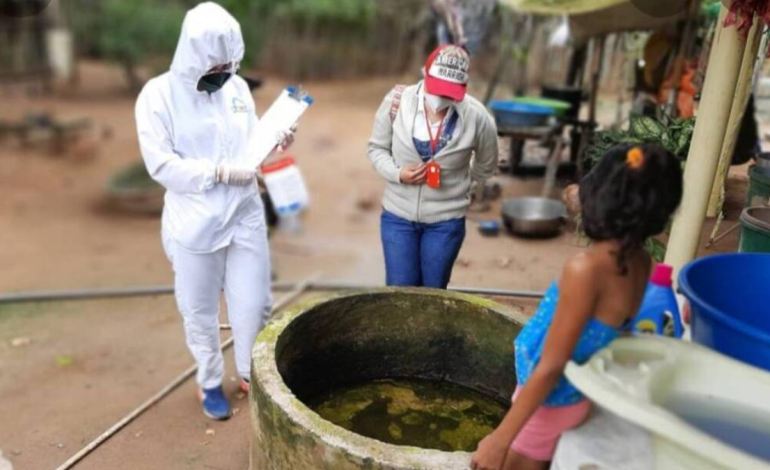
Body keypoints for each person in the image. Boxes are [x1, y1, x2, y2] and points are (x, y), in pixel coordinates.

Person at [471, 144, 683, 470]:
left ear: (602, 201)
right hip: (571, 396)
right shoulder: (643, 263)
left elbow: (552, 365)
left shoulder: (585, 269)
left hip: (548, 402)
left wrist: (499, 440)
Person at [135, 2, 294, 420]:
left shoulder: (237, 89)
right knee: (200, 310)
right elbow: (161, 165)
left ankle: (248, 372)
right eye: (215, 66)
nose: (223, 74)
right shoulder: (158, 96)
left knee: (255, 302)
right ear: (192, 57)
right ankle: (209, 381)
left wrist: (275, 139)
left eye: (230, 64)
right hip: (196, 221)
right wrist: (218, 172)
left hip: (243, 212)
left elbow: (250, 141)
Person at [368, 44, 498, 289]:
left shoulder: (478, 117)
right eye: (436, 89)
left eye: (449, 93)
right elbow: (376, 149)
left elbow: (486, 164)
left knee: (433, 294)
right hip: (398, 217)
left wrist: (461, 186)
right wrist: (398, 174)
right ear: (424, 73)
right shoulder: (396, 102)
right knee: (400, 293)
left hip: (446, 222)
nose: (441, 99)